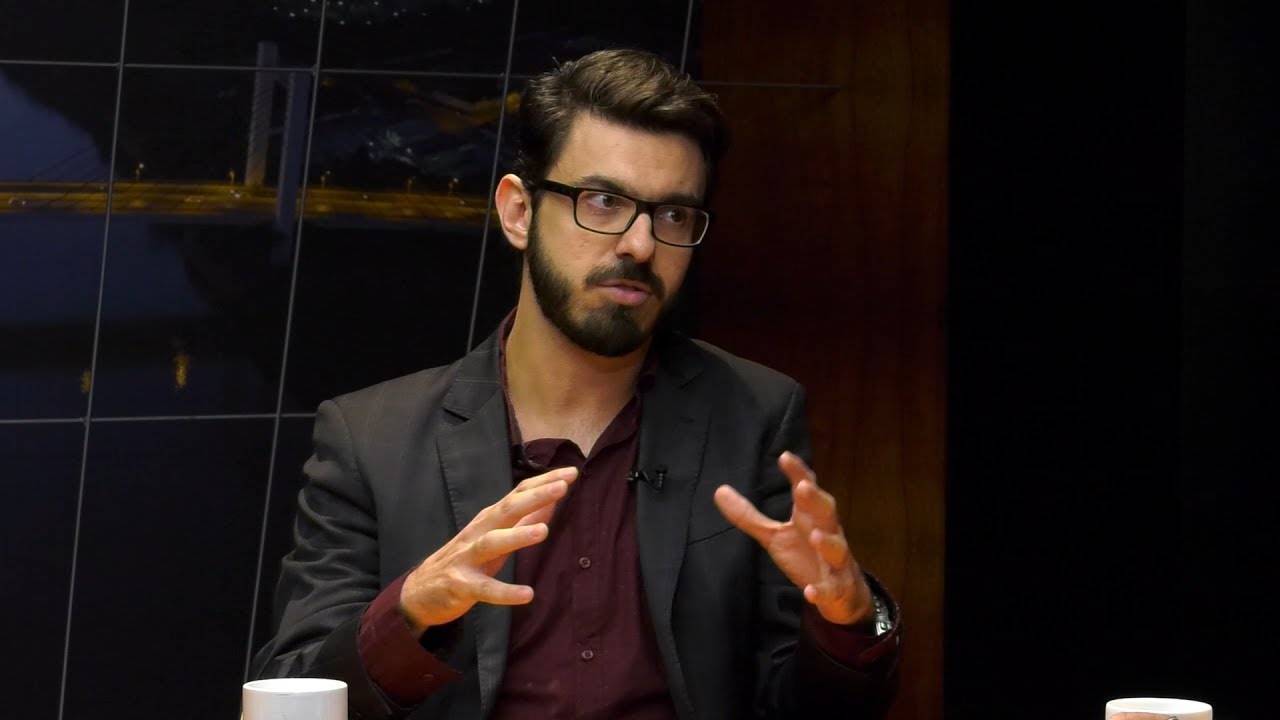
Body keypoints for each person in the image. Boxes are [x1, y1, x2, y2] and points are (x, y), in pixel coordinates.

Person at [251, 48, 901, 719]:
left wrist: (847, 622)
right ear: (518, 212)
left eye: (673, 215)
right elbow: (293, 690)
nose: (640, 245)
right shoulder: (371, 438)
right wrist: (411, 607)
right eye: (604, 201)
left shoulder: (755, 414)